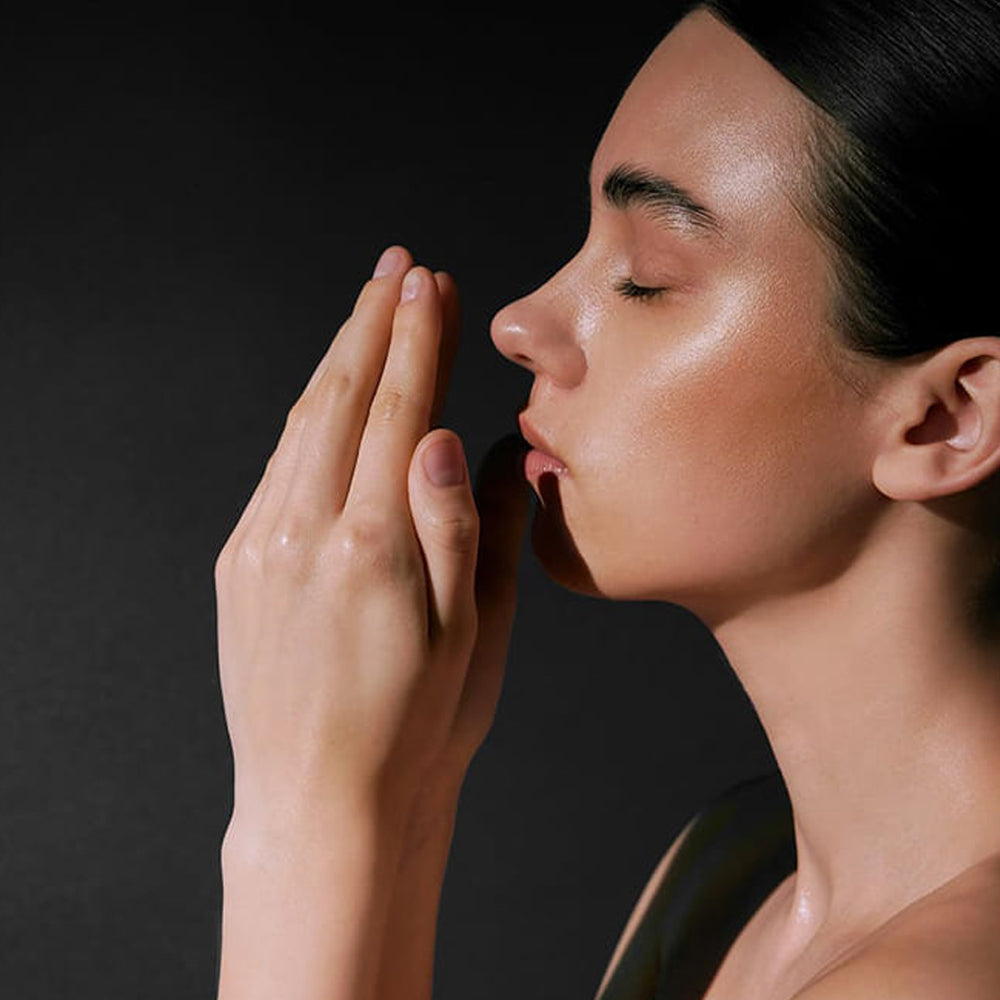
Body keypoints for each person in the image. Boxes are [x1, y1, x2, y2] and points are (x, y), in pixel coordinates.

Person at [211, 2, 1000, 998]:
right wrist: (405, 795)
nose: (518, 322)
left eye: (645, 276)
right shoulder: (732, 866)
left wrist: (303, 812)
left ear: (948, 418)